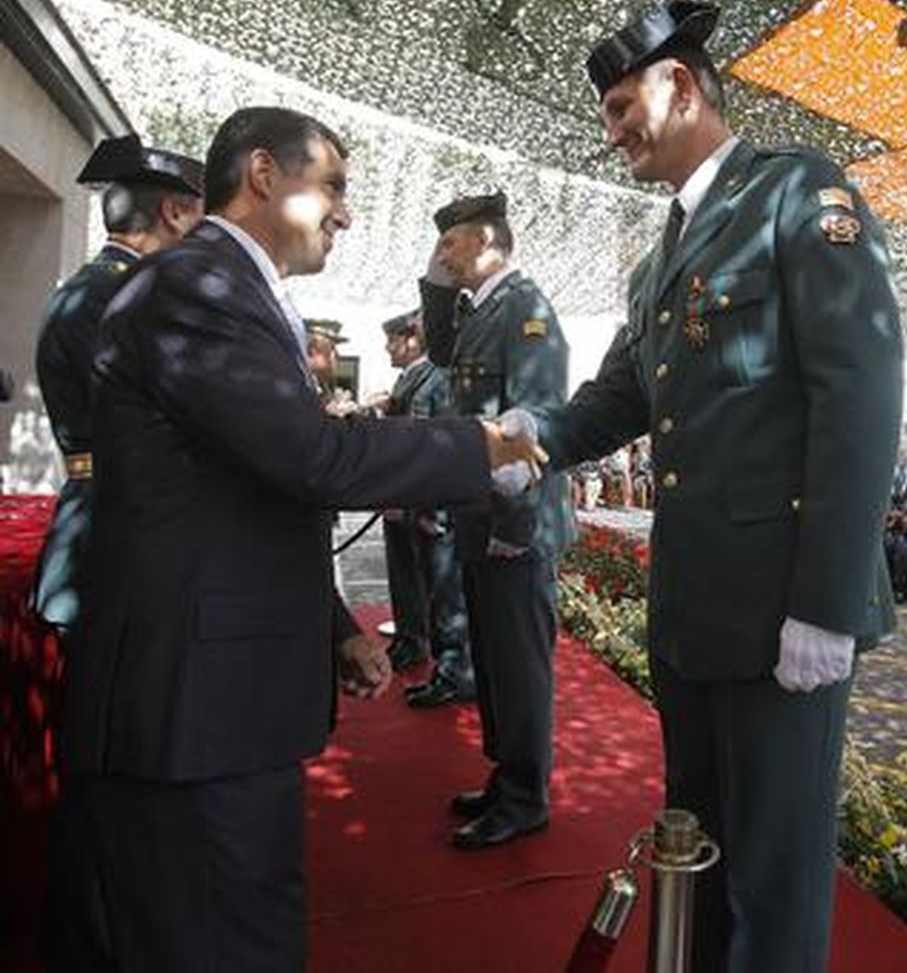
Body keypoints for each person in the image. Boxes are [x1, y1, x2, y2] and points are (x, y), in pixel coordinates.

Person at [50, 106, 539, 972]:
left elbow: (241, 497)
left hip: (219, 702)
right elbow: (311, 459)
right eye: (336, 187)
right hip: (192, 718)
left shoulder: (226, 289)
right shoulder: (196, 288)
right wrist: (482, 446)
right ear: (265, 175)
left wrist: (334, 627)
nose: (349, 213)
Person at [528, 0, 902, 970]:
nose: (611, 134)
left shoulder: (797, 196)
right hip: (696, 612)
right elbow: (614, 401)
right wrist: (511, 439)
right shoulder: (662, 258)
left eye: (620, 108)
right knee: (696, 858)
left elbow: (857, 398)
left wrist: (825, 606)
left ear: (680, 86)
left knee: (773, 884)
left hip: (783, 616)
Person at [418, 189, 574, 847]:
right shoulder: (478, 310)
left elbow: (528, 427)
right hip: (482, 519)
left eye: (451, 242)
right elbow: (443, 351)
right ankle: (506, 774)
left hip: (516, 526)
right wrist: (435, 277)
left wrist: (513, 527)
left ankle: (525, 795)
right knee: (493, 655)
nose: (443, 254)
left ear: (483, 241)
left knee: (518, 665)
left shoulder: (525, 309)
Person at [32, 134, 204, 633]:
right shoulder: (129, 299)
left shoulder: (94, 287)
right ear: (174, 212)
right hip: (125, 532)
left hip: (103, 520)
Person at [374, 310, 472, 689]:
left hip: (428, 505)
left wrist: (435, 506)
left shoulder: (437, 377)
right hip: (404, 500)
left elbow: (438, 445)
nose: (387, 347)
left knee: (442, 591)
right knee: (406, 580)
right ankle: (411, 641)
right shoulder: (410, 379)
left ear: (413, 338)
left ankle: (454, 671)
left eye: (393, 340)